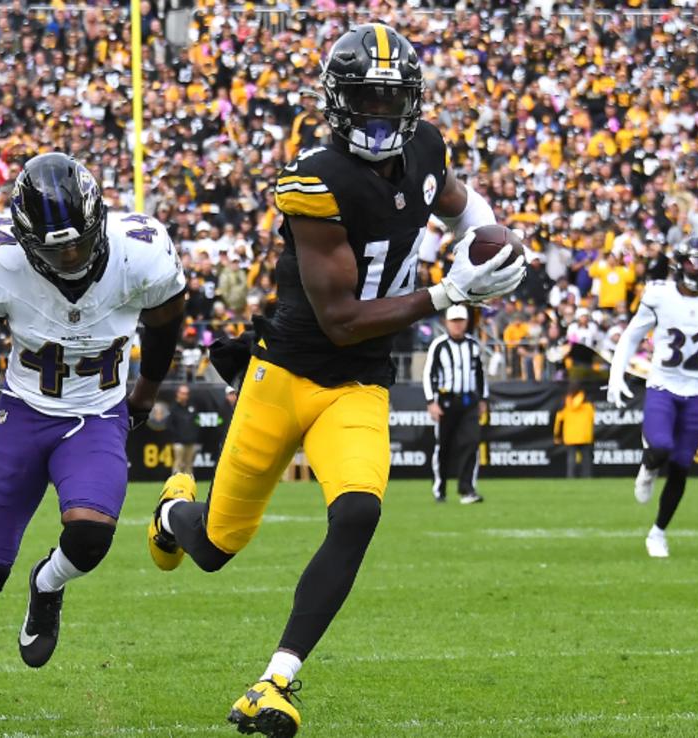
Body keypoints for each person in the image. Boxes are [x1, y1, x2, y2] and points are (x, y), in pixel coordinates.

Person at [144, 24, 524, 738]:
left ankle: (274, 682)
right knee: (215, 549)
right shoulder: (312, 179)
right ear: (337, 102)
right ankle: (171, 514)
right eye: (365, 99)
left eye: (392, 100)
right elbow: (344, 318)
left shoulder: (425, 148)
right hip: (284, 374)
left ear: (412, 102)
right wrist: (450, 292)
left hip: (358, 386)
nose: (381, 115)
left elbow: (459, 202)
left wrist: (496, 241)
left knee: (358, 512)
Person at [0, 153, 186, 725]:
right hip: (23, 413)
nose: (68, 256)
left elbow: (167, 327)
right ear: (23, 240)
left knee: (91, 538)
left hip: (96, 416)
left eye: (77, 243)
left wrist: (143, 396)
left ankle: (47, 584)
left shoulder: (139, 252)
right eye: (52, 248)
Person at [607, 238, 698, 558]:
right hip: (662, 386)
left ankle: (658, 532)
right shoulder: (659, 295)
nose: (696, 269)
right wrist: (616, 374)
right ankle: (648, 465)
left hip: (696, 392)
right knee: (660, 446)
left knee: (682, 466)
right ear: (678, 263)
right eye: (690, 263)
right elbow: (631, 336)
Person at [423, 305, 489, 504]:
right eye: (454, 321)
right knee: (444, 447)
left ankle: (467, 488)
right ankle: (440, 488)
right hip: (446, 401)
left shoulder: (473, 345)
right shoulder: (439, 345)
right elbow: (428, 374)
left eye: (461, 321)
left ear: (466, 322)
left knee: (472, 441)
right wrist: (430, 401)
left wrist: (483, 398)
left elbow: (480, 373)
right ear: (447, 322)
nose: (458, 325)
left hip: (469, 401)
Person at [553, 382, 595, 478]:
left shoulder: (565, 403)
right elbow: (593, 417)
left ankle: (571, 477)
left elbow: (558, 420)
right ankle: (587, 478)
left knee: (571, 458)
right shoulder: (588, 402)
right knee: (586, 459)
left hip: (570, 436)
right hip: (585, 435)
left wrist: (557, 436)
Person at [167, 383, 198, 475]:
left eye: (186, 393)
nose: (184, 395)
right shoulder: (173, 407)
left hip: (191, 442)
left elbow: (196, 423)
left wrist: (193, 436)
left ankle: (189, 486)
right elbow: (169, 425)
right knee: (178, 463)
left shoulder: (192, 407)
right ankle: (174, 485)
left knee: (189, 465)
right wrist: (177, 437)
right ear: (178, 394)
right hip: (179, 442)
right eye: (182, 393)